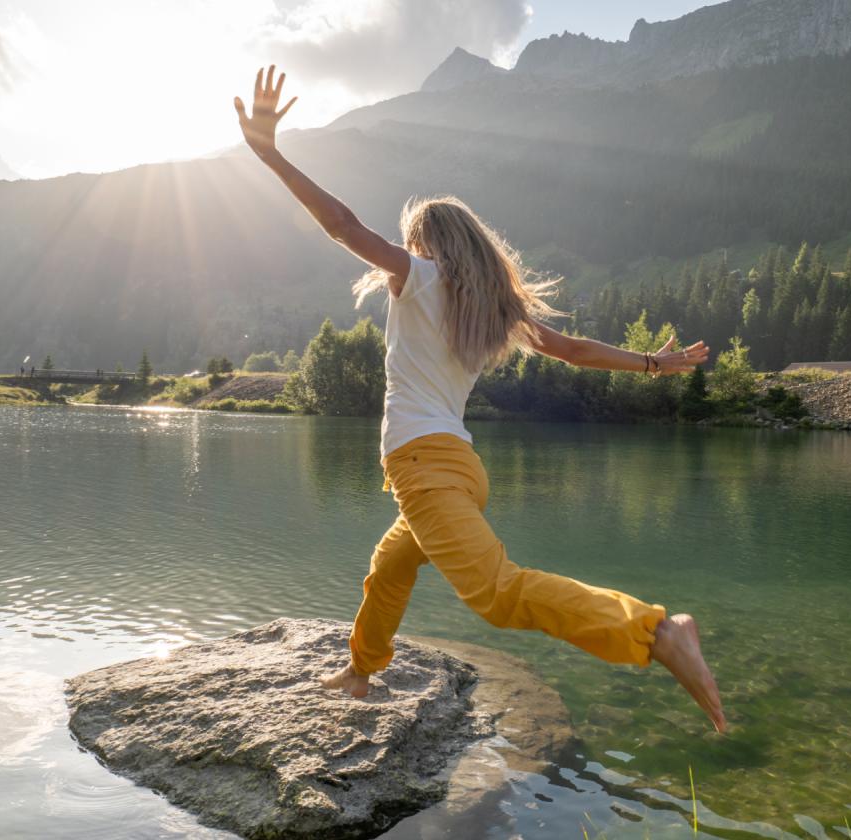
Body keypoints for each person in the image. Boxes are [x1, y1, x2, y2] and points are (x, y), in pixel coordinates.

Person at [235, 66, 727, 733]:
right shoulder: (493, 306)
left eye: (408, 245)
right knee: (389, 570)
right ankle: (360, 671)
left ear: (424, 244)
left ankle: (656, 632)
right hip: (457, 470)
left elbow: (343, 224)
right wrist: (651, 363)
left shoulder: (419, 278)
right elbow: (574, 350)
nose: (400, 256)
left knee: (498, 595)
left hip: (426, 469)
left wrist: (271, 155)